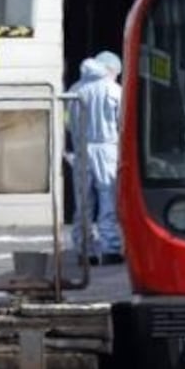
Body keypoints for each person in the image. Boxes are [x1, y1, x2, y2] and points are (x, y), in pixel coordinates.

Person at [66, 50, 124, 266]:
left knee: (83, 202)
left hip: (81, 149)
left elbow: (67, 123)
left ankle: (84, 250)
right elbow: (123, 123)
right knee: (108, 198)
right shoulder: (114, 90)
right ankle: (110, 248)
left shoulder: (75, 89)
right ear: (110, 70)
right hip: (108, 148)